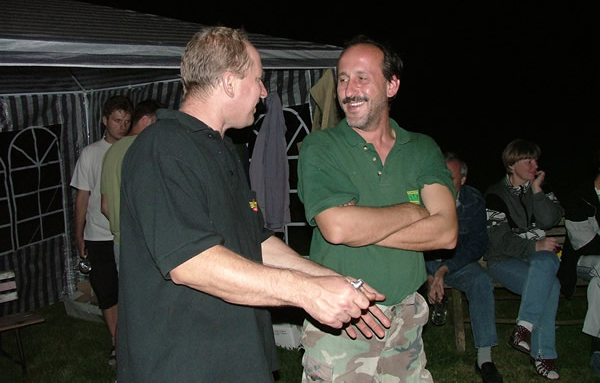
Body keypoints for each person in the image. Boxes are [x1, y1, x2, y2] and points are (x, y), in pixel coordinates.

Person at [117, 27, 391, 382]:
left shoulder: (222, 151)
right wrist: (307, 292)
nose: (263, 92)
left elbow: (257, 242)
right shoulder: (163, 148)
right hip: (182, 365)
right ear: (229, 83)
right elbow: (191, 262)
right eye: (258, 79)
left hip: (238, 359)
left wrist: (332, 280)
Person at [297, 35, 458, 382]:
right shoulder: (321, 146)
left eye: (362, 77)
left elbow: (446, 232)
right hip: (343, 320)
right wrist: (414, 211)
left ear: (391, 85)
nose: (349, 90)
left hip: (407, 319)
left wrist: (361, 225)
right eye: (343, 79)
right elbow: (337, 228)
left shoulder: (421, 148)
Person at [485, 139, 563, 380]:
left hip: (539, 260)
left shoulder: (541, 189)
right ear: (511, 164)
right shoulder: (495, 195)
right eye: (528, 160)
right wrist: (534, 245)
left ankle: (524, 327)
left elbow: (549, 220)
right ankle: (543, 355)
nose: (534, 165)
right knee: (551, 284)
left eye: (535, 160)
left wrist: (537, 191)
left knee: (546, 262)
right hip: (504, 261)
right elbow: (500, 241)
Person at [425, 152, 502, 383]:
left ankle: (485, 359)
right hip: (421, 262)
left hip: (455, 263)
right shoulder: (421, 198)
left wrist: (444, 269)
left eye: (450, 177)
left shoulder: (473, 201)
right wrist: (429, 273)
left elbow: (478, 244)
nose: (444, 182)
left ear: (463, 180)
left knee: (481, 281)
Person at [70, 94, 133, 366]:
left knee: (129, 290)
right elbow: (82, 197)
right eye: (117, 120)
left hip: (127, 234)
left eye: (127, 121)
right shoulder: (90, 154)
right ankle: (116, 344)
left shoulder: (133, 149)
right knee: (107, 293)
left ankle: (130, 342)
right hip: (98, 235)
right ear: (105, 120)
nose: (122, 126)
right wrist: (79, 234)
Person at [100, 98, 165, 269]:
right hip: (144, 244)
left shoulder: (111, 151)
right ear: (146, 120)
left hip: (120, 244)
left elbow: (105, 206)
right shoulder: (146, 147)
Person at [557, 157, 600, 375]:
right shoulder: (580, 197)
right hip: (581, 260)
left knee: (598, 284)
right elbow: (586, 244)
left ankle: (597, 348)